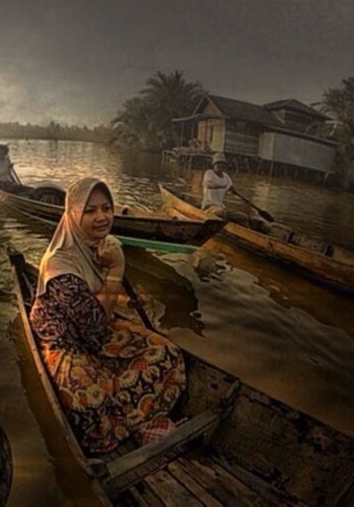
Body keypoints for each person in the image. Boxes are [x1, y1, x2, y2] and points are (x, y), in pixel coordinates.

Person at [29, 177, 186, 453]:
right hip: (66, 342)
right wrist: (117, 269)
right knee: (88, 401)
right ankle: (136, 420)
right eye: (90, 211)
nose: (101, 218)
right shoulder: (59, 263)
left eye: (106, 208)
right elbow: (94, 329)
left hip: (100, 327)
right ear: (73, 214)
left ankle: (133, 421)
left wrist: (127, 294)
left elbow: (106, 302)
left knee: (168, 354)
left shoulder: (105, 245)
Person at [202, 153, 248, 224]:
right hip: (208, 207)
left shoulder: (226, 177)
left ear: (225, 165)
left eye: (222, 163)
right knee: (221, 213)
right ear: (213, 165)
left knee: (243, 217)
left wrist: (244, 199)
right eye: (218, 163)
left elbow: (233, 190)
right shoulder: (209, 173)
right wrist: (223, 186)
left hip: (221, 207)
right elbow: (208, 185)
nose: (220, 165)